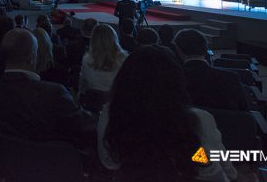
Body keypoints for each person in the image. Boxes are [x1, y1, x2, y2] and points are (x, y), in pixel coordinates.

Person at [98, 47, 237, 182]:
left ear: (125, 78)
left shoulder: (112, 113)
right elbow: (210, 171)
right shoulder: (198, 120)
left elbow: (110, 162)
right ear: (177, 80)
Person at [0, 29, 96, 147]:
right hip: (52, 156)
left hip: (6, 154)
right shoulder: (55, 93)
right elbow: (87, 126)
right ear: (32, 57)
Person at [175, 29, 248, 111]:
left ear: (178, 50)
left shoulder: (174, 78)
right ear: (206, 48)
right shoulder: (231, 78)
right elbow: (244, 111)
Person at [79, 24, 127, 94]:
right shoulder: (124, 59)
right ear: (114, 38)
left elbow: (82, 84)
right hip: (116, 97)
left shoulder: (86, 59)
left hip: (94, 98)